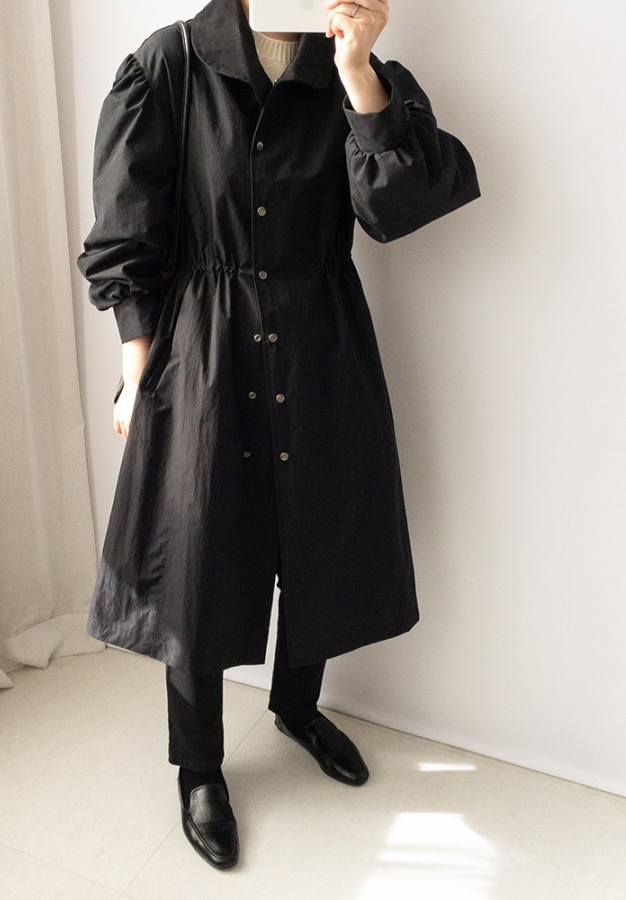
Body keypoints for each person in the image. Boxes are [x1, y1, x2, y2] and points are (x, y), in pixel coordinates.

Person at [77, 0, 479, 870]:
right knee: (198, 553)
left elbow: (400, 208)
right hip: (204, 348)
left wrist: (358, 71)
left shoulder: (351, 71)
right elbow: (127, 223)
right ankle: (198, 766)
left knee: (319, 531)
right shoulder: (171, 63)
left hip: (321, 338)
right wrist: (138, 364)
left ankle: (297, 708)